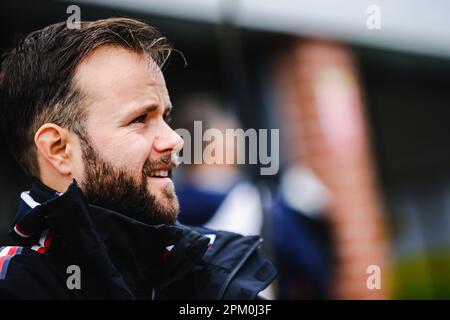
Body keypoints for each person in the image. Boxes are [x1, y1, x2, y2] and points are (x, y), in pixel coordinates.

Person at [0, 18, 276, 299]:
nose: (175, 140)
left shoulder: (214, 269)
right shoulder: (16, 285)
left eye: (165, 117)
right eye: (140, 119)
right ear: (58, 149)